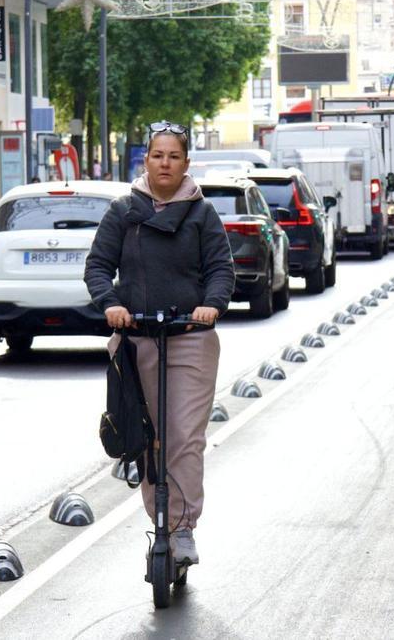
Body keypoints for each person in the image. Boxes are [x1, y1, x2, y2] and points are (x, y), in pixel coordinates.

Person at [83, 120, 234, 566]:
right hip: (137, 341)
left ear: (186, 163)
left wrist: (211, 305)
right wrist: (111, 304)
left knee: (184, 437)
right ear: (145, 160)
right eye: (156, 155)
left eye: (173, 156)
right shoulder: (122, 211)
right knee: (150, 439)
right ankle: (161, 522)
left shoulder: (202, 214)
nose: (164, 163)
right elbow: (97, 267)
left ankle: (183, 528)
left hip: (190, 338)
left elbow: (221, 270)